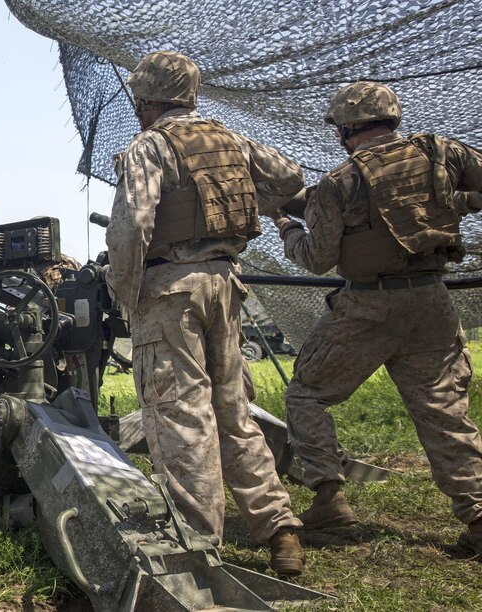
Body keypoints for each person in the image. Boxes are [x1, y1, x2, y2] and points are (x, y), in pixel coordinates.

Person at [105, 51, 305, 575]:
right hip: (226, 280)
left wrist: (125, 291)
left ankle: (199, 548)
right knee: (234, 411)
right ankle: (280, 530)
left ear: (146, 100)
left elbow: (131, 226)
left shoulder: (149, 145)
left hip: (172, 288)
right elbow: (290, 177)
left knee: (180, 416)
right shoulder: (228, 139)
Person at [272, 81, 482, 554]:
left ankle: (329, 496)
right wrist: (461, 202)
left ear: (346, 130)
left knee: (306, 393)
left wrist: (286, 224)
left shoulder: (338, 181)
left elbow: (315, 258)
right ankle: (478, 516)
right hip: (431, 301)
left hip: (368, 305)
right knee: (445, 412)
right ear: (392, 118)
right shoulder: (441, 153)